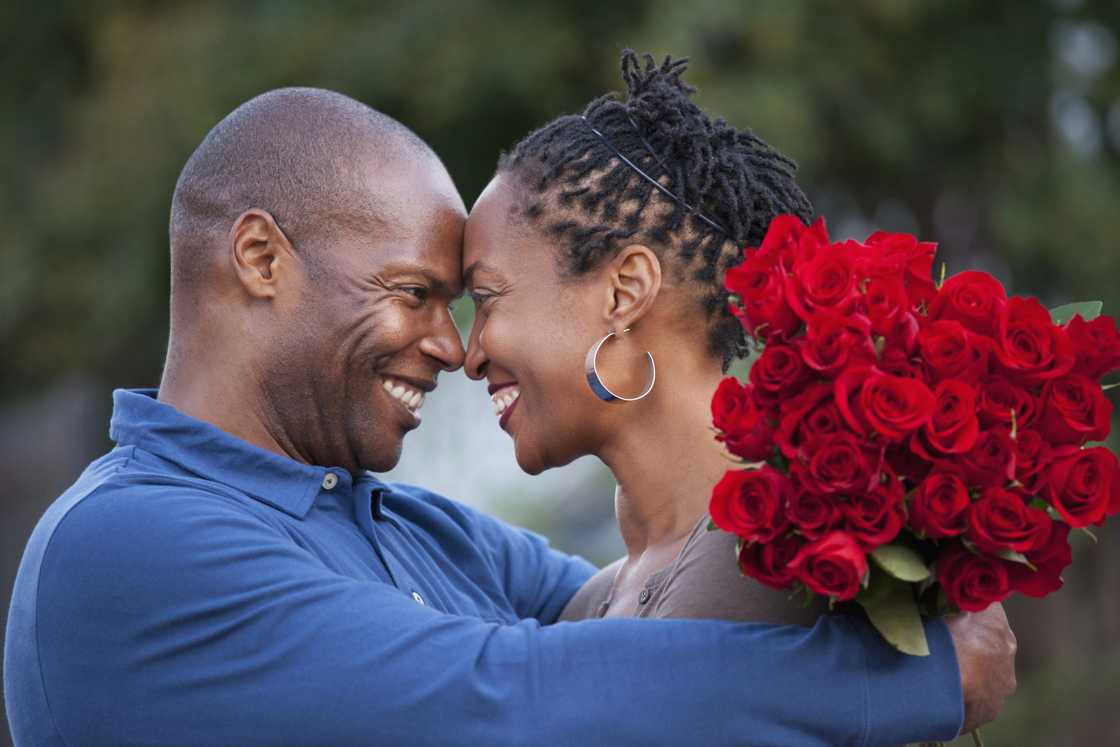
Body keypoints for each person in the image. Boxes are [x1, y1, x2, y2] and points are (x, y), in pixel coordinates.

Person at [5, 86, 1013, 747]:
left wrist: (885, 490)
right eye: (412, 291)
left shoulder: (401, 523)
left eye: (473, 300)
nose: (450, 345)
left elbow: (655, 620)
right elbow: (515, 697)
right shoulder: (125, 545)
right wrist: (912, 687)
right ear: (261, 259)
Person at [463, 49, 823, 627]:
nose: (469, 355)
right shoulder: (589, 605)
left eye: (486, 299)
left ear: (624, 291)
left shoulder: (774, 565)